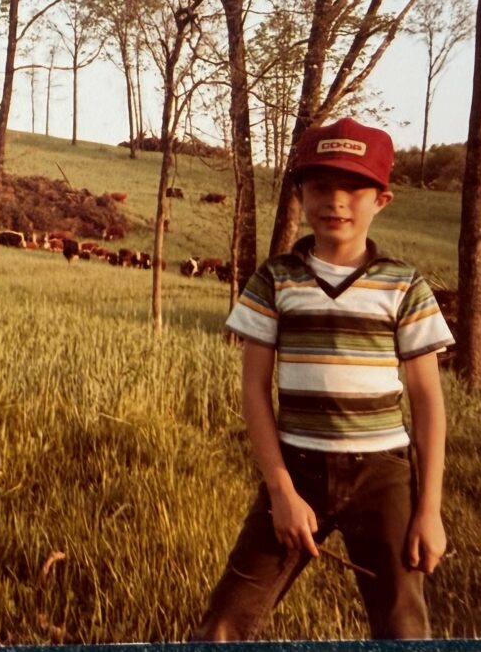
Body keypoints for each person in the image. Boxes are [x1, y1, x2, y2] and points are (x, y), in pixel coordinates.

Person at [192, 117, 454, 641]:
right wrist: (281, 491)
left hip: (384, 478)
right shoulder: (275, 279)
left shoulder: (404, 286)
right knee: (223, 625)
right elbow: (254, 390)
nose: (335, 201)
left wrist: (429, 510)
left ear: (381, 199)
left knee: (404, 627)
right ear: (300, 194)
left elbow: (427, 401)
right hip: (298, 470)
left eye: (353, 188)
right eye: (320, 186)